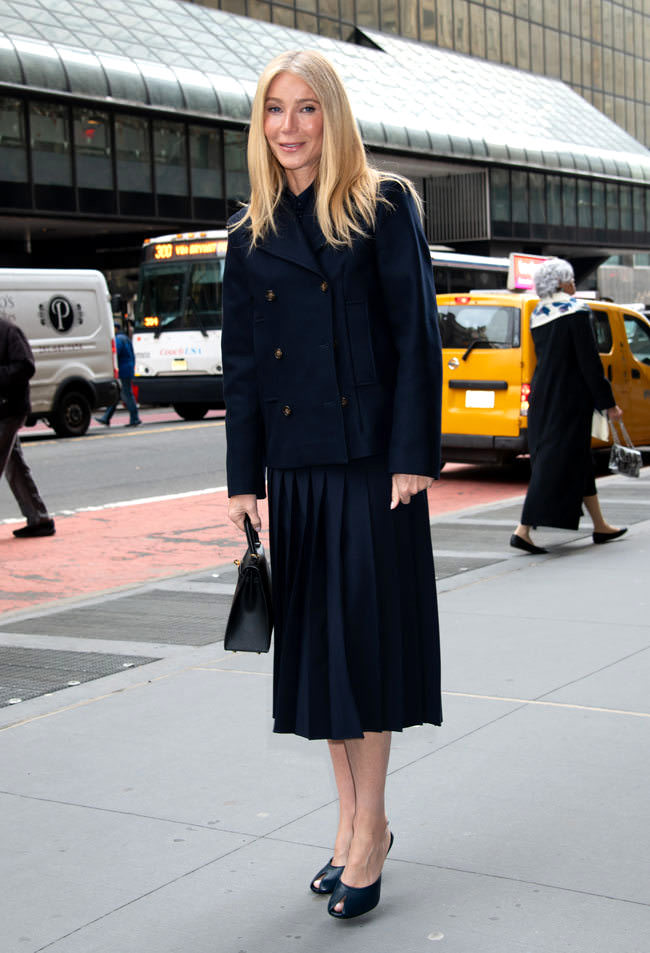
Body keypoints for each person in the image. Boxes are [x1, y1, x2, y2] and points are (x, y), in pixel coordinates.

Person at [222, 50, 442, 920]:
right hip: (297, 467)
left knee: (365, 647)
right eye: (275, 109)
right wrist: (244, 477)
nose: (288, 127)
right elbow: (240, 365)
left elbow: (416, 336)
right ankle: (353, 823)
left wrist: (411, 455)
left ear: (333, 116)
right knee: (323, 656)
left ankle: (370, 822)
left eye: (306, 108)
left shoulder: (384, 206)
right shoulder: (248, 232)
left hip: (372, 464)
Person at [510, 258, 626, 555]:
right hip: (569, 399)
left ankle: (600, 525)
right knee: (552, 461)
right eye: (571, 279)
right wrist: (608, 403)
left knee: (577, 460)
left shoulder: (538, 313)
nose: (575, 284)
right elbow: (589, 364)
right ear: (562, 282)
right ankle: (522, 530)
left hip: (543, 396)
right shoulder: (576, 312)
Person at [0, 316, 55, 538]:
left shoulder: (9, 331)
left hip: (8, 409)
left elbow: (25, 366)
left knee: (11, 463)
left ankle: (39, 518)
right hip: (4, 408)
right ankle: (38, 518)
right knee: (15, 465)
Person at [96, 323, 141, 427]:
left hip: (123, 371)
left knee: (126, 395)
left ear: (115, 329)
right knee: (117, 395)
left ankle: (135, 419)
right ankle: (106, 418)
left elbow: (115, 354)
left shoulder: (118, 340)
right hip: (128, 369)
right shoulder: (125, 338)